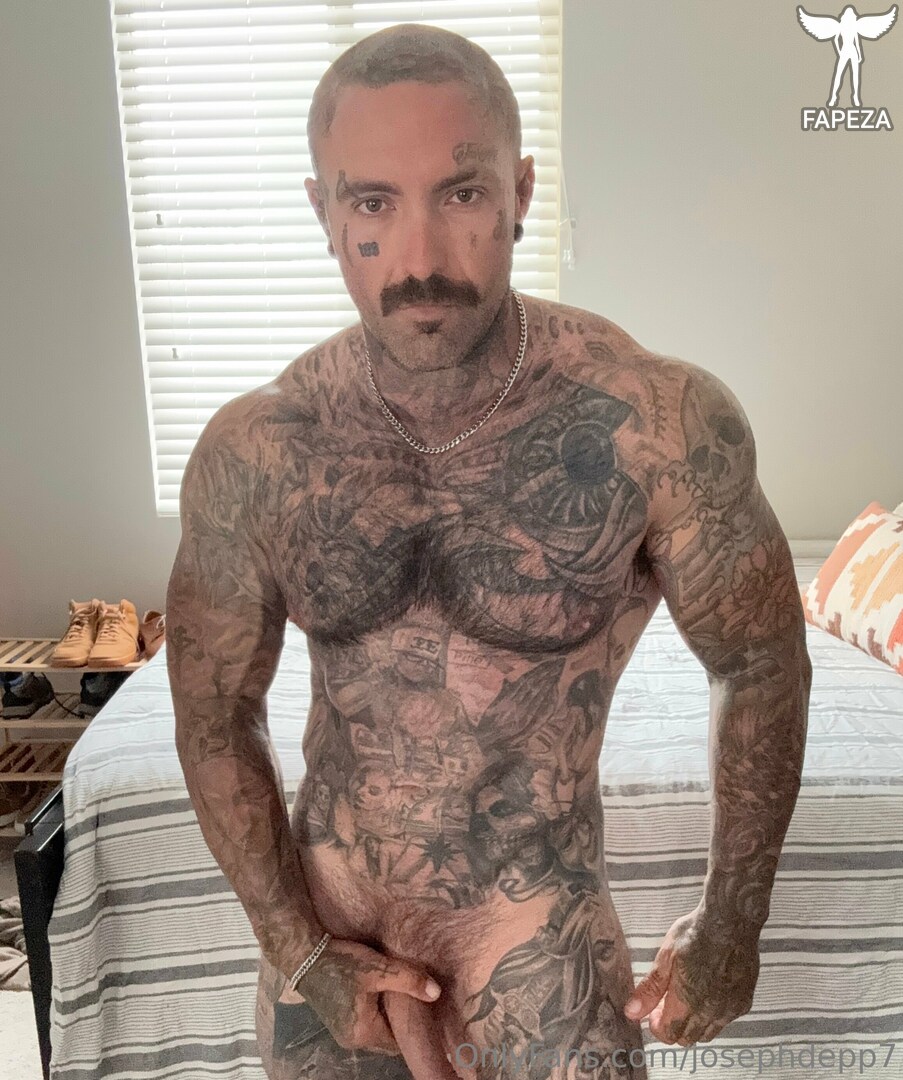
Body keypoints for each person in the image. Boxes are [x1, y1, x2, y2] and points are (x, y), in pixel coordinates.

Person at [165, 22, 812, 1080]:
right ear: (324, 212)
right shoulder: (261, 451)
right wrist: (297, 947)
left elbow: (760, 662)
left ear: (518, 192)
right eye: (373, 203)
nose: (420, 260)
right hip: (334, 935)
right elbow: (211, 714)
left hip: (538, 941)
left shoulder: (655, 424)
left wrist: (732, 924)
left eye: (460, 195)